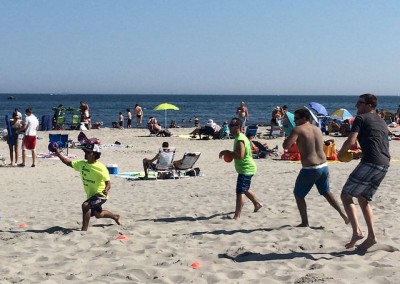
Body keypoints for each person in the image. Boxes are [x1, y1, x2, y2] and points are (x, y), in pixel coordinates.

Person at [338, 93, 390, 250]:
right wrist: (359, 153)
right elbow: (379, 146)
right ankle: (372, 237)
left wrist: (340, 153)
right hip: (384, 164)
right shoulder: (381, 121)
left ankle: (357, 232)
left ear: (369, 106)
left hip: (371, 162)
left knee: (346, 195)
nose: (356, 106)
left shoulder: (361, 118)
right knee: (363, 198)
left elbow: (351, 140)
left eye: (359, 103)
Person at [283, 108, 348, 227]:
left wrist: (288, 134)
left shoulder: (297, 129)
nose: (295, 121)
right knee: (326, 192)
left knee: (298, 194)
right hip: (324, 166)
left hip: (310, 168)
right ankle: (343, 214)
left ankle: (304, 222)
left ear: (304, 118)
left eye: (296, 118)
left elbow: (286, 146)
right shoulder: (317, 128)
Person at [53, 143, 121, 231]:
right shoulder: (82, 164)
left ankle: (84, 230)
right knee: (98, 214)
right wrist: (58, 154)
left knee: (85, 205)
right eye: (85, 151)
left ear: (95, 154)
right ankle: (115, 216)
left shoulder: (101, 168)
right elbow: (68, 162)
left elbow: (108, 183)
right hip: (91, 195)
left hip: (101, 195)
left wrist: (106, 190)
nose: (86, 153)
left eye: (88, 152)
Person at [219, 117, 262, 220]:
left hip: (246, 169)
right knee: (245, 188)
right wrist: (229, 153)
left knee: (240, 192)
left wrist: (227, 152)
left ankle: (237, 216)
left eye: (231, 126)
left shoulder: (240, 139)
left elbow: (240, 155)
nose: (229, 127)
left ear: (238, 127)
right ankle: (257, 204)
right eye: (229, 125)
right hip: (246, 168)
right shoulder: (240, 137)